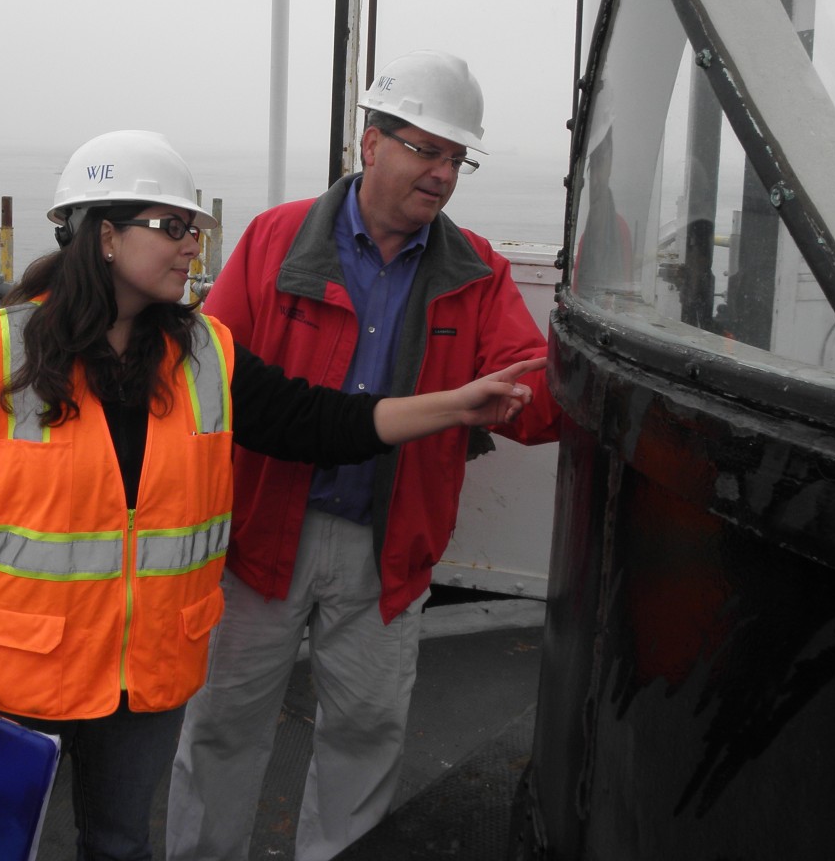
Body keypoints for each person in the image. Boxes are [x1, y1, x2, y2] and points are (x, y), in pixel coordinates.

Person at [0, 128, 544, 861]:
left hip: (142, 680)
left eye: (195, 230)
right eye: (172, 227)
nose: (193, 246)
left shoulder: (203, 353)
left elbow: (323, 422)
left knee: (119, 846)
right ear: (106, 236)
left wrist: (456, 405)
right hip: (18, 675)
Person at [167, 50, 563, 861]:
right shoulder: (274, 239)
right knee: (222, 726)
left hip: (389, 547)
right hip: (261, 536)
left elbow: (533, 399)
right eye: (426, 149)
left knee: (366, 733)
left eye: (457, 158)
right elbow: (210, 382)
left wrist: (588, 365)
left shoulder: (478, 271)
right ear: (370, 143)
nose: (443, 173)